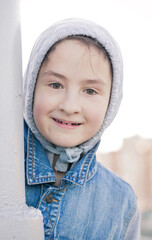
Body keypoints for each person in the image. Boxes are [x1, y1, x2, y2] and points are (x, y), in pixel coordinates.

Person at [23, 18, 141, 239]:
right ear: (30, 87)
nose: (69, 106)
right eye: (56, 85)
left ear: (111, 101)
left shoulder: (122, 201)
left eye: (90, 91)